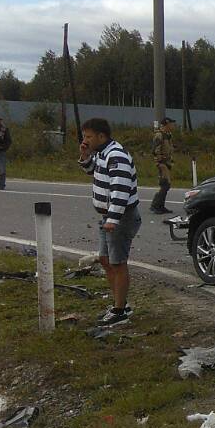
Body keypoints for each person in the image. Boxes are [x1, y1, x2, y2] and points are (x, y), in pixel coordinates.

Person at [78, 118, 141, 327]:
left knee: (117, 262)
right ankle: (120, 302)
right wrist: (85, 157)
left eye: (88, 136)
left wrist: (113, 218)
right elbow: (92, 171)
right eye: (84, 136)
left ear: (101, 136)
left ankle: (120, 310)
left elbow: (120, 190)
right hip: (108, 216)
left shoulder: (116, 156)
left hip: (120, 217)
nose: (85, 140)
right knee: (105, 260)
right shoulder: (102, 154)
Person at [148, 116, 175, 214]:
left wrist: (170, 161)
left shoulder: (168, 135)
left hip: (166, 162)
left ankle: (161, 206)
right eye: (171, 124)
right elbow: (155, 150)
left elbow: (169, 148)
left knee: (166, 185)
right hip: (162, 163)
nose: (173, 125)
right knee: (165, 184)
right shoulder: (159, 135)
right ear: (166, 124)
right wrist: (160, 162)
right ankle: (155, 205)